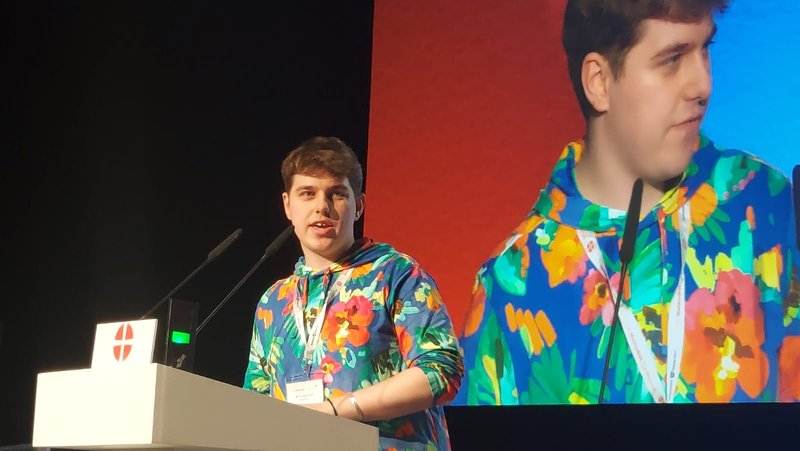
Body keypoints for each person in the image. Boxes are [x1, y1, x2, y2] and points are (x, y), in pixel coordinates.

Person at [456, 0, 800, 405]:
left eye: (704, 48)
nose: (702, 84)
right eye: (672, 58)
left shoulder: (767, 204)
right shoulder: (511, 283)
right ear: (599, 82)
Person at [243, 136, 464, 449]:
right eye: (307, 193)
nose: (322, 206)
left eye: (336, 194)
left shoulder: (396, 273)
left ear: (358, 206)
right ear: (287, 206)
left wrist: (337, 409)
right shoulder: (273, 301)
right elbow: (255, 403)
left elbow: (442, 369)